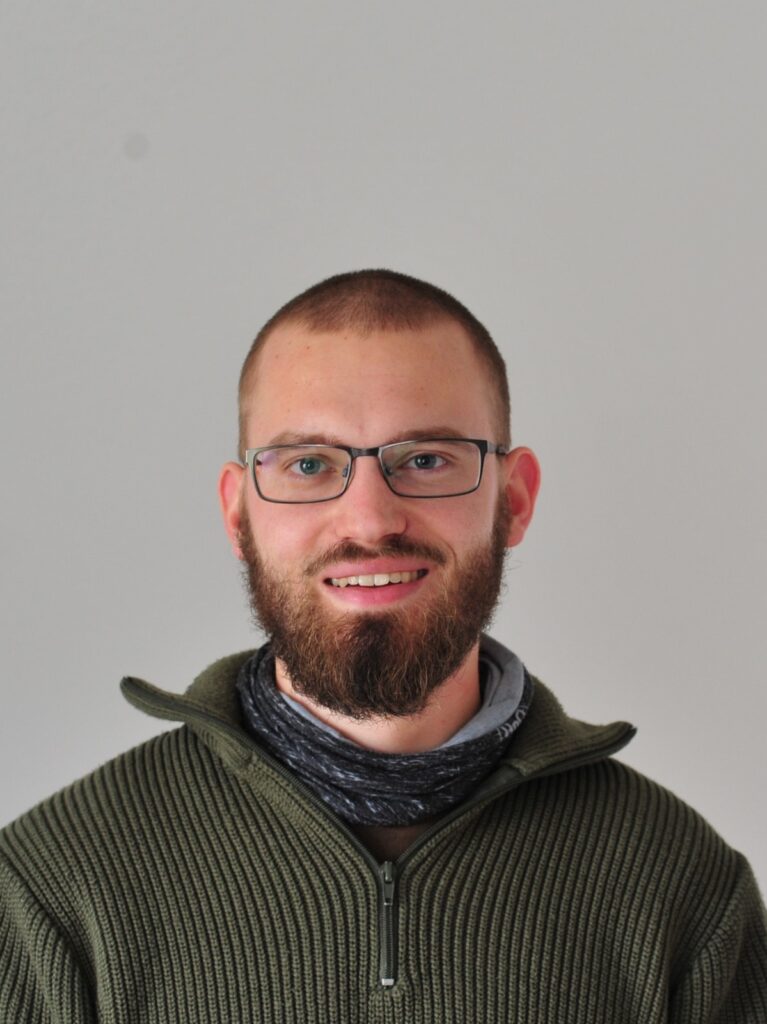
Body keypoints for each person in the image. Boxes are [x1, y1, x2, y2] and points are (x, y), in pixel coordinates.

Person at [1, 269, 764, 1022]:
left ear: (514, 499)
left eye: (425, 459)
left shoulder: (683, 889)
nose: (369, 520)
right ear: (238, 515)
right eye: (308, 465)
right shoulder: (53, 888)